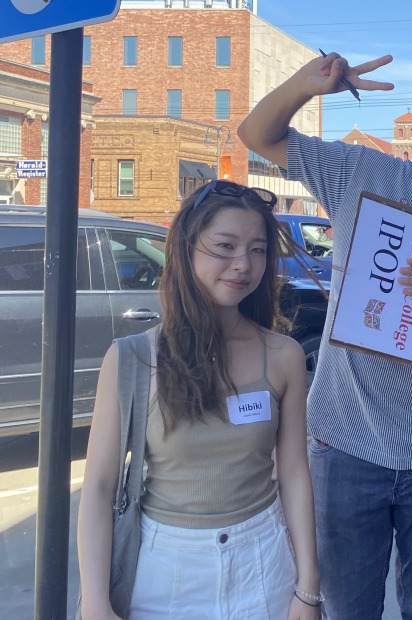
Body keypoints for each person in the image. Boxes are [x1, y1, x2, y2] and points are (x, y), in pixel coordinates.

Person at [238, 56, 412, 618]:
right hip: (345, 443)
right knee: (349, 608)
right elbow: (256, 135)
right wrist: (306, 85)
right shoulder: (365, 172)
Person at [78, 180, 319, 619]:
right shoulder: (132, 359)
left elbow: (295, 475)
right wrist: (94, 600)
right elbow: (97, 487)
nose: (243, 264)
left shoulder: (282, 356)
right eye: (225, 246)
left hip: (263, 564)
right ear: (186, 249)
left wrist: (308, 589)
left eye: (258, 249)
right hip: (164, 571)